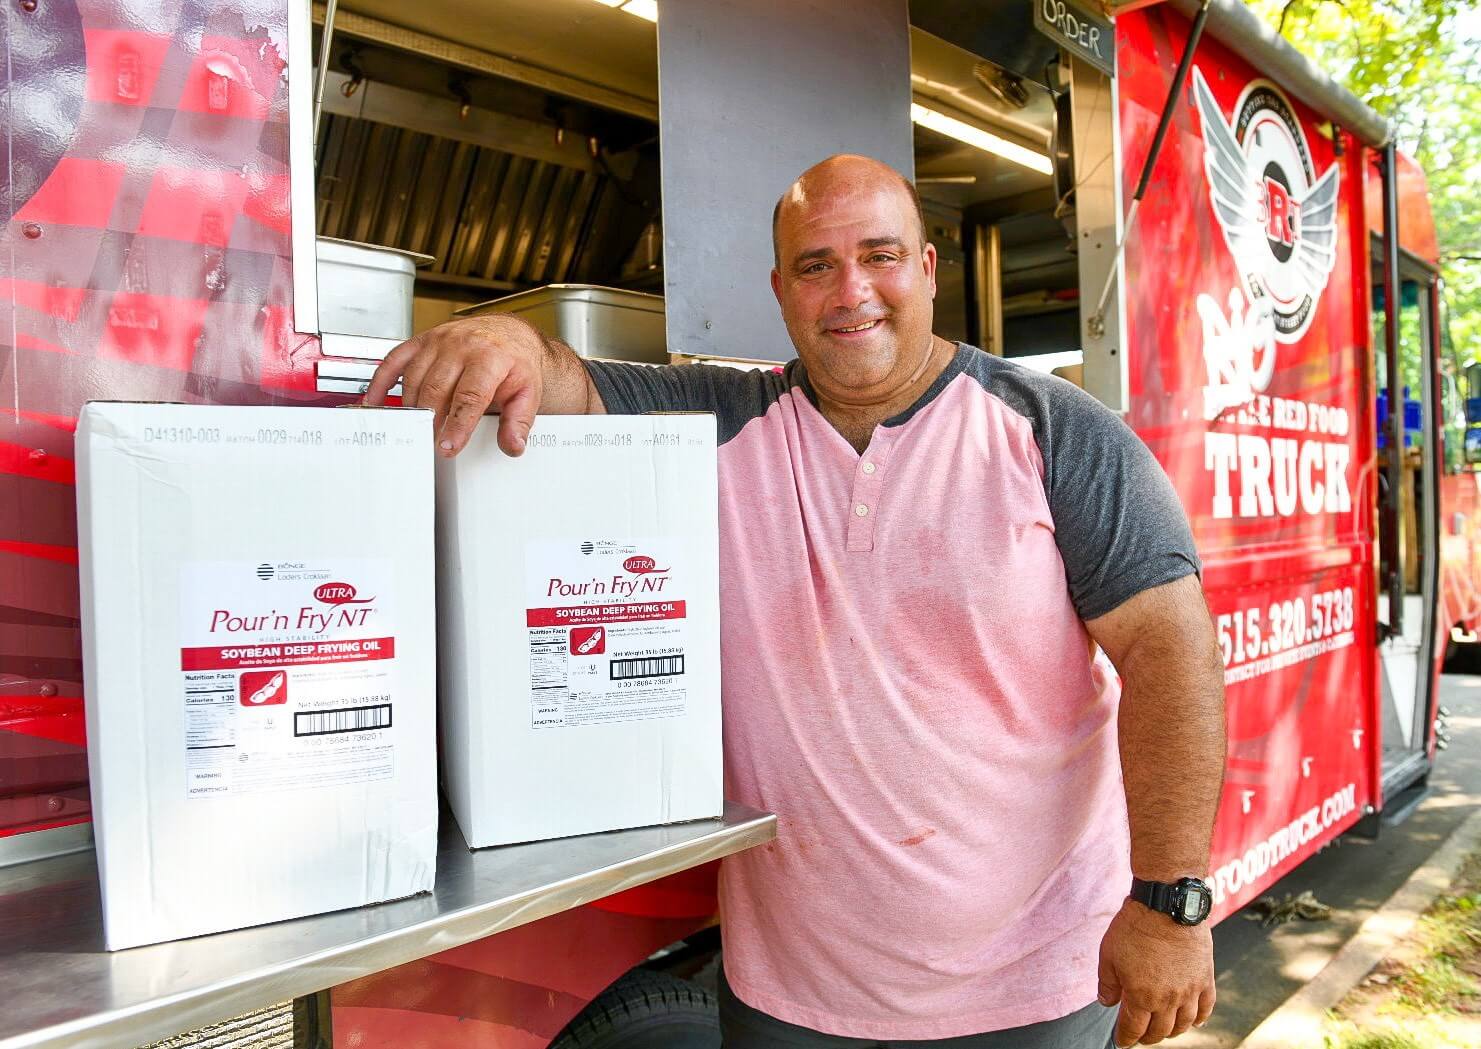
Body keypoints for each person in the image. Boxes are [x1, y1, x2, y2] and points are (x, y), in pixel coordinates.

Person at [366, 154, 1226, 1049]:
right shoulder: (721, 420)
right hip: (788, 997)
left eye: (879, 255)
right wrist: (499, 339)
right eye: (816, 265)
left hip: (1032, 989)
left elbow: (1173, 656)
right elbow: (565, 382)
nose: (849, 290)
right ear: (780, 289)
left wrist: (1169, 902)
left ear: (927, 269)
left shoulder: (1054, 430)